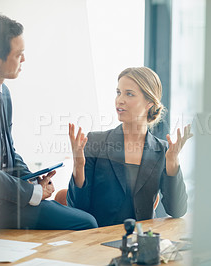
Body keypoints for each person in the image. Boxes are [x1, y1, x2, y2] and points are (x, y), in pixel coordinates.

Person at [0, 14, 97, 231]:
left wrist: (33, 180)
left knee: (85, 220)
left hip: (4, 197)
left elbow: (8, 152)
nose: (23, 60)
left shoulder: (2, 91)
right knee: (86, 222)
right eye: (18, 54)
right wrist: (32, 193)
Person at [67, 66, 191, 227]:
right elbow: (77, 208)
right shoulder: (95, 141)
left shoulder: (163, 150)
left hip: (140, 241)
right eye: (118, 92)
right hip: (98, 242)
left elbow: (177, 210)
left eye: (129, 94)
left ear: (149, 103)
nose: (120, 100)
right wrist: (78, 165)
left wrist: (173, 163)